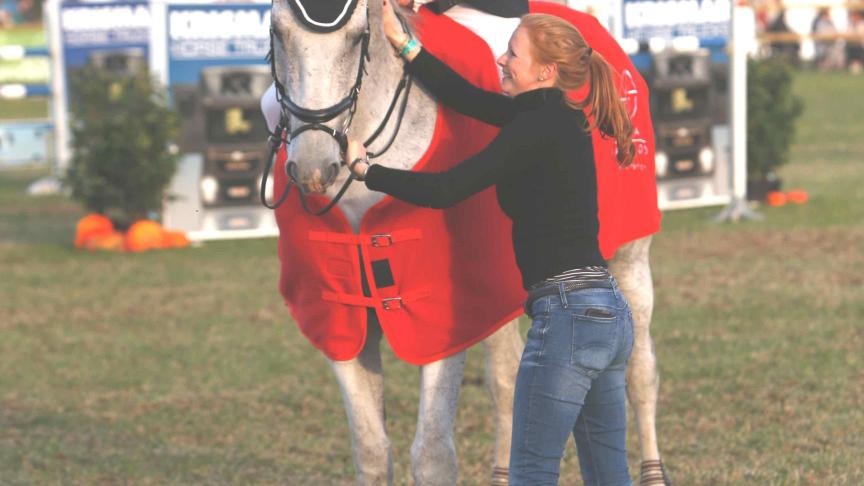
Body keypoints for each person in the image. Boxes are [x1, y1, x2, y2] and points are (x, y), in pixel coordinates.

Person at [347, 1, 635, 483]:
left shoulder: (533, 128)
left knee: (529, 472)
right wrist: (406, 45)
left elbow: (447, 189)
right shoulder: (555, 116)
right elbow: (468, 98)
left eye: (513, 55)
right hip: (607, 315)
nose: (502, 60)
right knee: (609, 475)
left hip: (566, 317)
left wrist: (367, 171)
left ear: (544, 71)